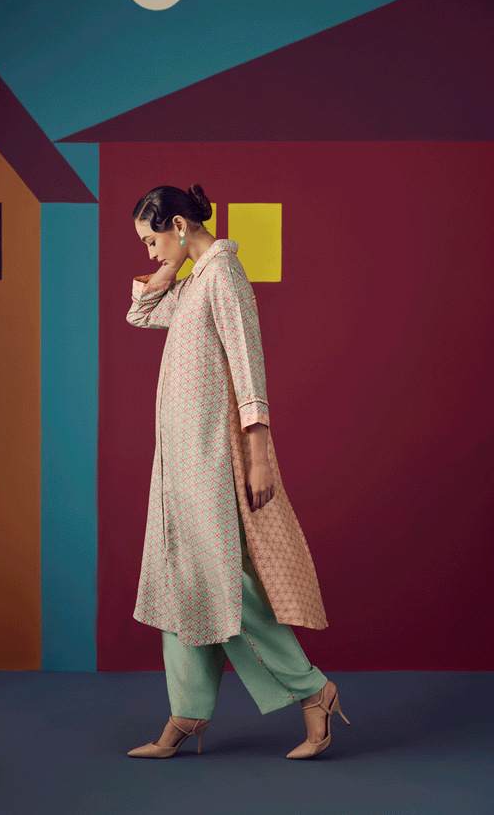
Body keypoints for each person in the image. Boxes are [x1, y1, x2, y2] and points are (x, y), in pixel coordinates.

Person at [125, 184, 350, 759]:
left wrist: (259, 456)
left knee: (222, 586)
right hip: (175, 463)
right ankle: (187, 712)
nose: (150, 253)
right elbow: (139, 313)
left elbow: (249, 367)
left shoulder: (223, 274)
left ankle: (312, 690)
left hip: (210, 457)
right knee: (181, 579)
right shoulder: (193, 281)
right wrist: (167, 269)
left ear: (179, 225)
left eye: (152, 240)